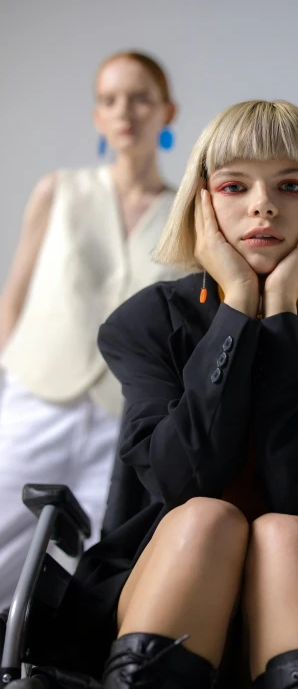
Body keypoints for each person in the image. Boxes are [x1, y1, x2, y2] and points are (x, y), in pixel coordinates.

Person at [38, 100, 298, 689]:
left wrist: (284, 313)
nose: (262, 205)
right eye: (234, 185)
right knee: (208, 519)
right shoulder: (145, 324)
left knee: (285, 533)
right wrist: (238, 306)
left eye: (290, 185)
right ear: (201, 201)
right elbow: (183, 480)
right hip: (164, 572)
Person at [0, 50, 184, 612]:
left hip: (124, 421)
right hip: (37, 394)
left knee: (90, 575)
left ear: (166, 111)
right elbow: (15, 299)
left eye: (139, 98)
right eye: (109, 100)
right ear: (97, 116)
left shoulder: (188, 215)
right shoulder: (58, 191)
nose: (124, 110)